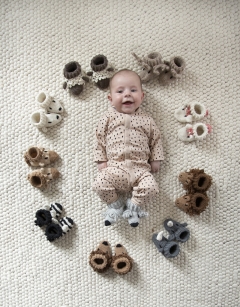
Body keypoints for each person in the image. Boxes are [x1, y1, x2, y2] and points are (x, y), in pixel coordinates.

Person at [92, 69, 164, 227]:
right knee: (99, 184)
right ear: (110, 98)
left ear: (142, 96)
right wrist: (101, 160)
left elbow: (156, 139)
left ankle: (133, 206)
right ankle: (116, 205)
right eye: (120, 91)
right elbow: (99, 139)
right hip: (115, 168)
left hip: (140, 170)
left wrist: (156, 159)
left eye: (133, 90)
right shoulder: (108, 118)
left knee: (151, 187)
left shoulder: (147, 120)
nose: (127, 94)